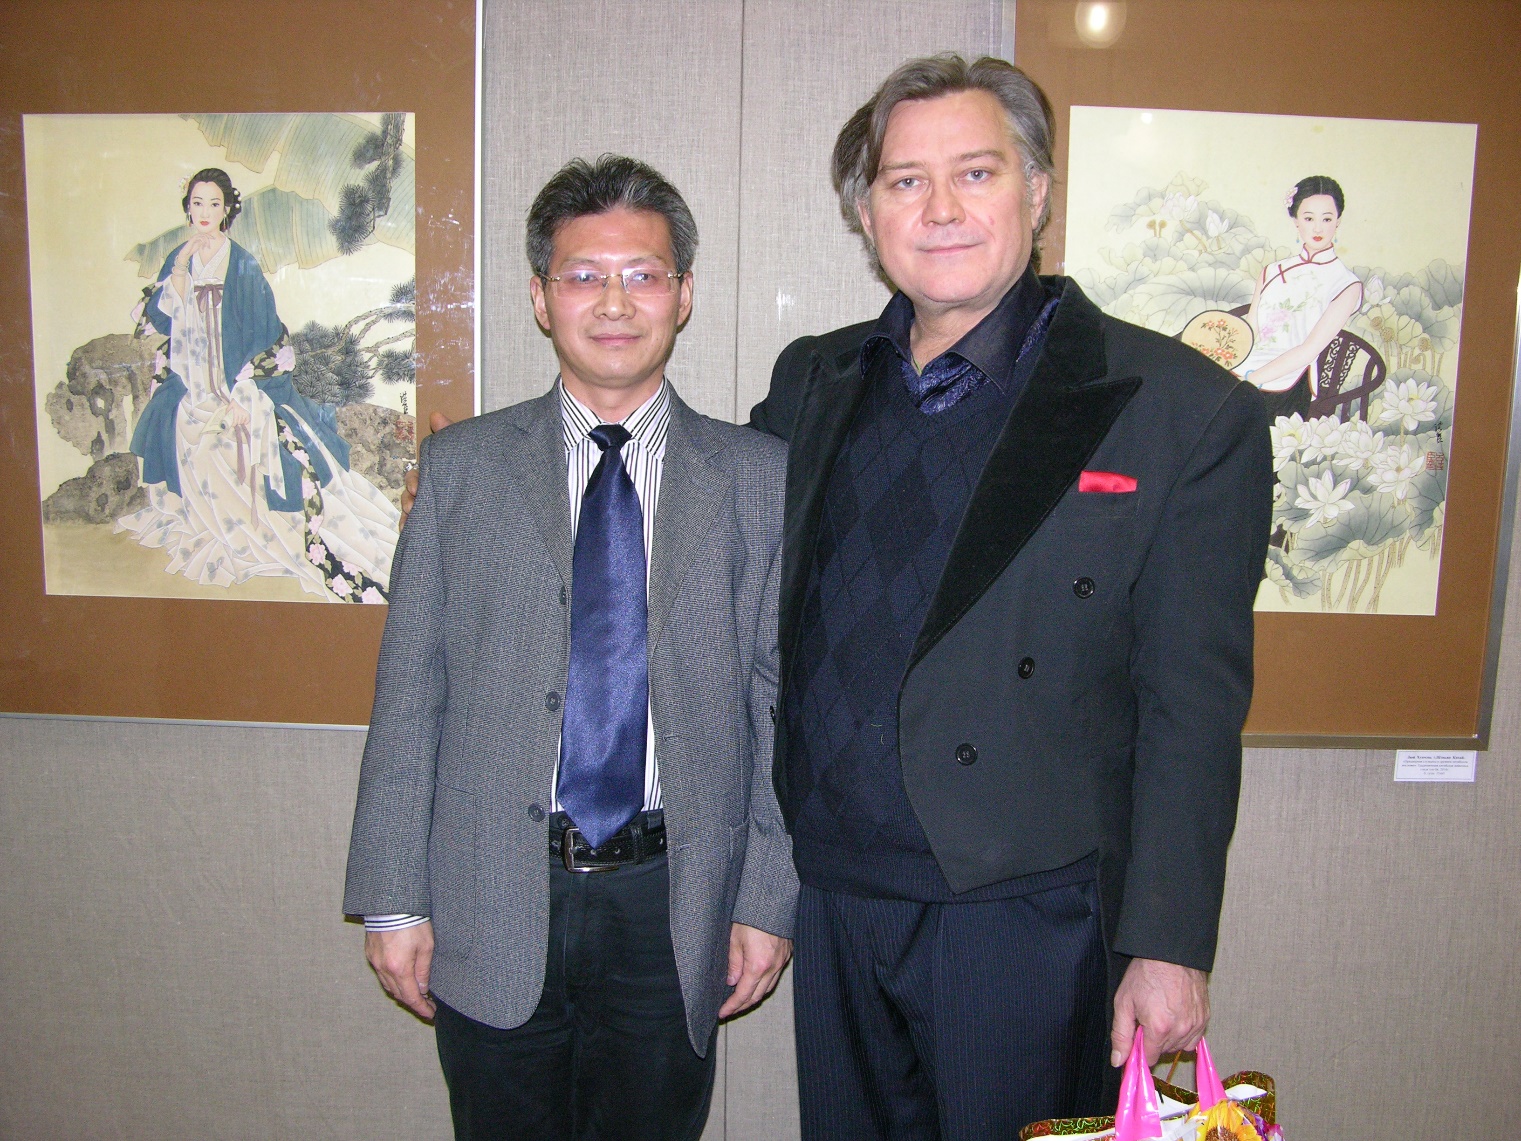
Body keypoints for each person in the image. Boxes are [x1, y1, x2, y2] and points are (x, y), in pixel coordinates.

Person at [747, 55, 1273, 1138]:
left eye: (976, 173)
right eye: (904, 181)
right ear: (865, 213)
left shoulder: (1179, 409)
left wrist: (1167, 943)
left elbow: (1191, 705)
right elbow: (722, 567)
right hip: (835, 892)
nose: (940, 209)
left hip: (1026, 914)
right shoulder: (814, 380)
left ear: (1037, 191)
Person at [344, 154, 797, 1141]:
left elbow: (778, 704)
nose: (614, 302)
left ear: (682, 293)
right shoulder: (461, 468)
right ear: (542, 297)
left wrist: (767, 898)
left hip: (674, 899)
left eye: (642, 274)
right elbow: (411, 685)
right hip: (489, 889)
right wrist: (391, 898)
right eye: (584, 275)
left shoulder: (758, 479)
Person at [119, 167, 399, 601]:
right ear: (187, 207)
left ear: (227, 209)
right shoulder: (180, 255)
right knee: (179, 421)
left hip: (238, 381)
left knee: (239, 438)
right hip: (192, 378)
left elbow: (266, 335)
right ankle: (207, 523)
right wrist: (178, 273)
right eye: (197, 203)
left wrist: (243, 393)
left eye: (214, 203)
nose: (205, 212)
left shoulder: (243, 265)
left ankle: (257, 531)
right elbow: (158, 318)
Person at [1233, 175, 1363, 420]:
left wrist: (1251, 381)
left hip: (1289, 381)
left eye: (1327, 219)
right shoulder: (1273, 271)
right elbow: (1251, 329)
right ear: (1296, 221)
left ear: (1338, 221)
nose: (1318, 228)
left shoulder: (1346, 284)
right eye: (1309, 218)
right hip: (1245, 370)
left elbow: (1309, 350)